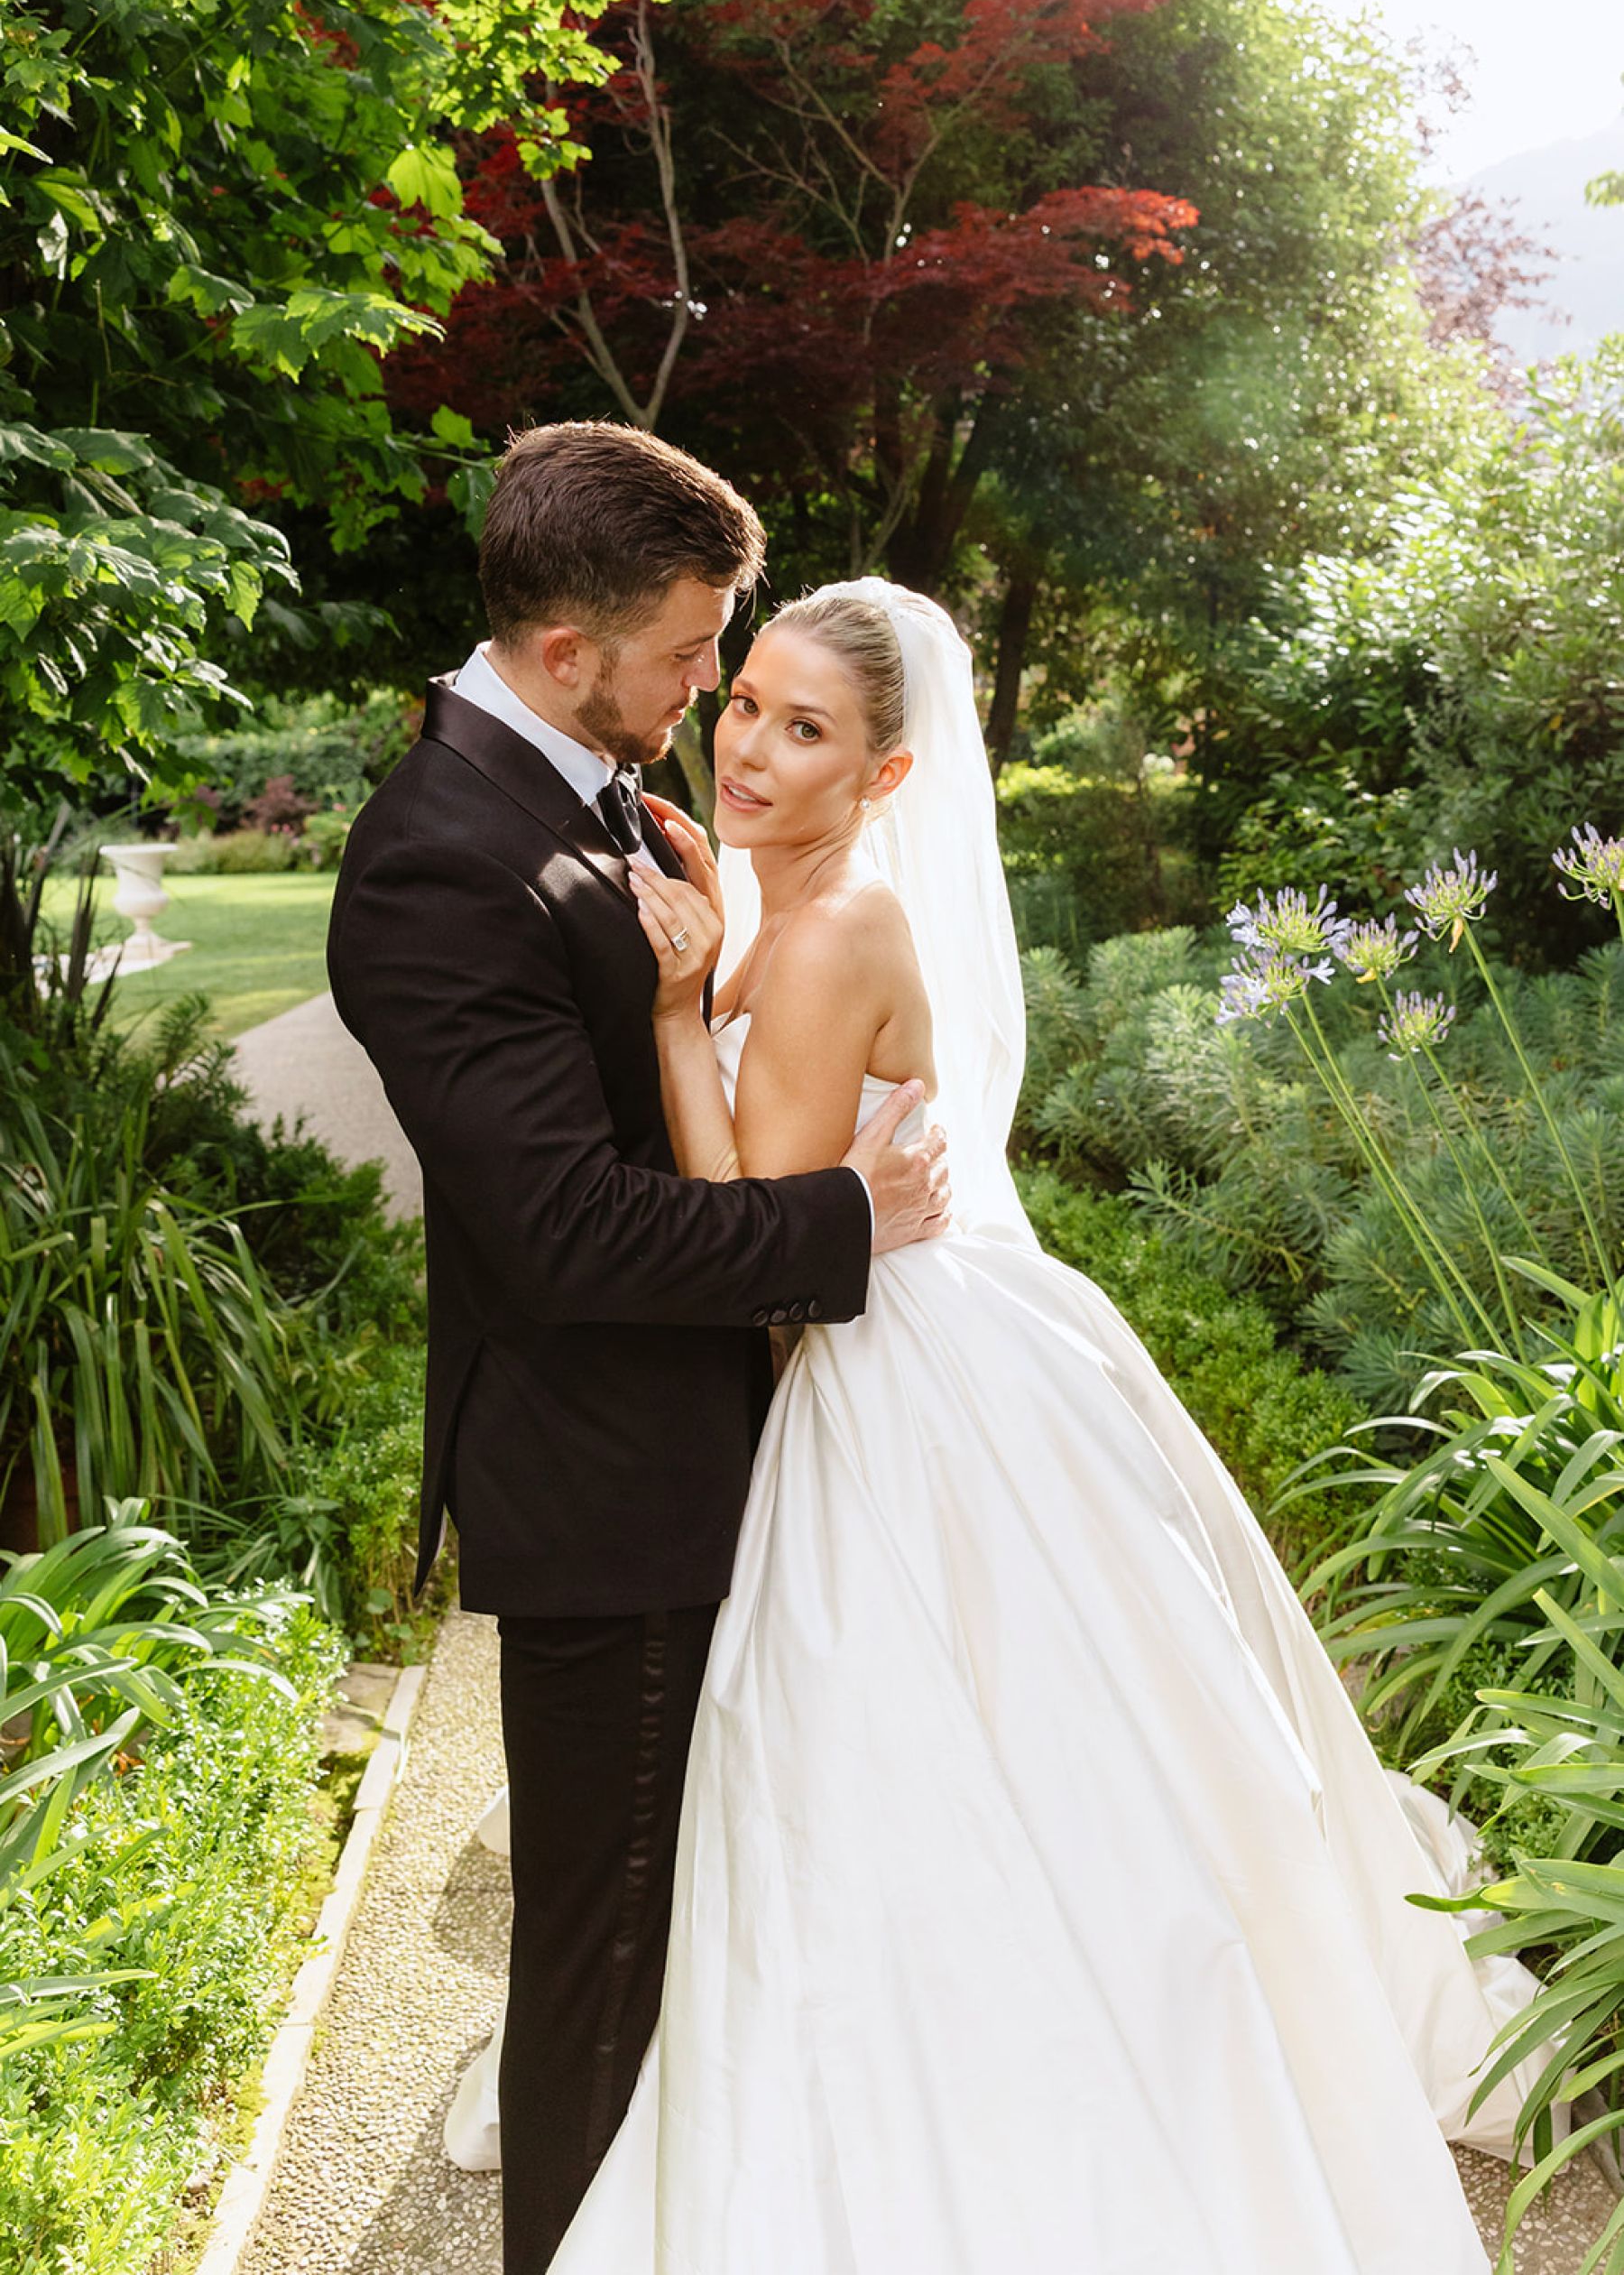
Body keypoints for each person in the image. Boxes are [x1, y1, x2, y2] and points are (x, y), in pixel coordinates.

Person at [478, 577, 1569, 2274]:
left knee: (907, 1733)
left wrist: (680, 1014)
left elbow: (758, 1246)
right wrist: (716, 954)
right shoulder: (797, 900)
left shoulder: (830, 935)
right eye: (745, 700)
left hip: (888, 1374)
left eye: (805, 729)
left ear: (887, 777)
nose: (748, 748)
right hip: (947, 1331)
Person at [325, 429, 952, 2275]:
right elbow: (571, 1231)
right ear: (565, 648)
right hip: (613, 1489)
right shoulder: (439, 864)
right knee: (600, 1963)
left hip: (701, 1451)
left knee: (681, 1927)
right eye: (692, 657)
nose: (710, 694)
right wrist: (842, 1219)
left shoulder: (590, 783)